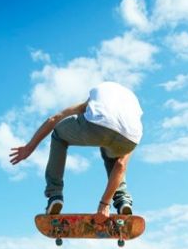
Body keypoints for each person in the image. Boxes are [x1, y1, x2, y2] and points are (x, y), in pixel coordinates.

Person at [10, 81, 143, 218]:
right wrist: (104, 204)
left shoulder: (94, 101)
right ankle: (123, 201)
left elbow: (54, 118)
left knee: (59, 135)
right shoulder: (133, 120)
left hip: (97, 128)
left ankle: (55, 195)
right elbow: (121, 166)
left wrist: (30, 147)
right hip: (129, 139)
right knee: (113, 155)